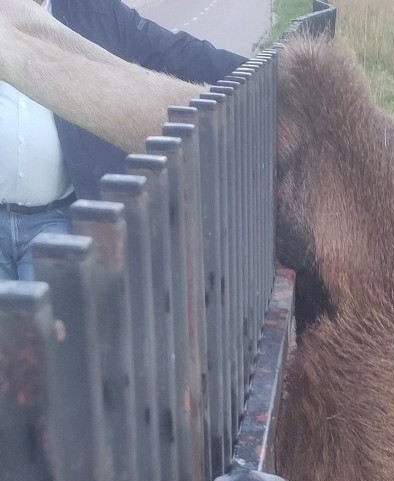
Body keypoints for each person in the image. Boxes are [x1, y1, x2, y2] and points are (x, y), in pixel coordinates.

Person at [0, 0, 242, 279]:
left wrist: (271, 72)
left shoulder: (95, 13)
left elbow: (174, 52)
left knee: (46, 320)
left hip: (53, 224)